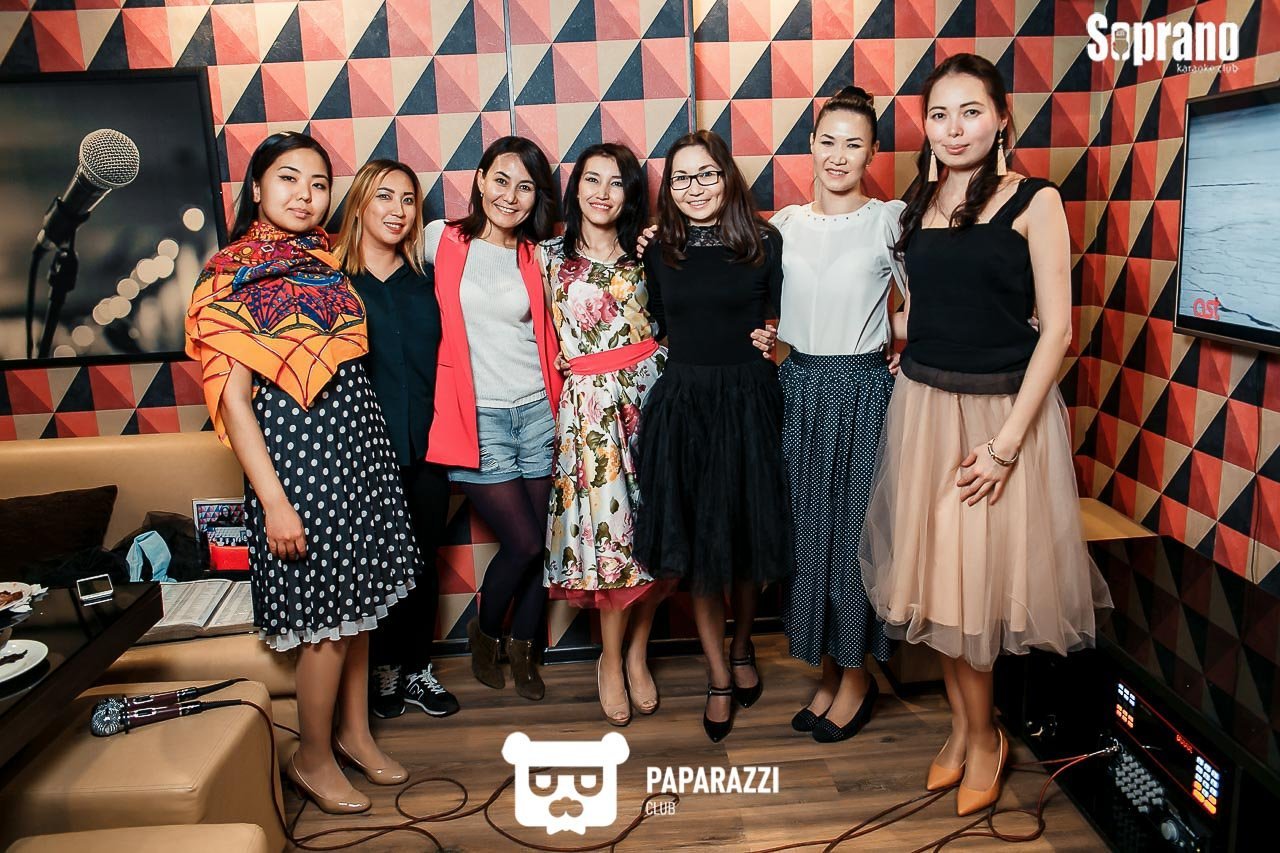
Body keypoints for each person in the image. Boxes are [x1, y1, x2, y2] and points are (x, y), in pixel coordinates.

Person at [858, 54, 1113, 815]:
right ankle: (967, 728)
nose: (954, 128)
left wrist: (1005, 448)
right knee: (936, 585)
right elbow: (925, 309)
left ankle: (983, 737)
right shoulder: (919, 203)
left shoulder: (1035, 200)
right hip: (924, 408)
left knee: (971, 595)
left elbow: (1056, 330)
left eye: (970, 111)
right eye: (939, 115)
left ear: (1002, 118)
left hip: (998, 420)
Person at [186, 132, 417, 814]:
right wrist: (274, 502)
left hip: (357, 450)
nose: (305, 195)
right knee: (327, 620)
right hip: (297, 464)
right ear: (256, 187)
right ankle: (311, 756)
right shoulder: (229, 274)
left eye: (318, 184)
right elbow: (233, 400)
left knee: (361, 608)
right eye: (288, 179)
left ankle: (354, 734)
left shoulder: (326, 260)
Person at [635, 130, 791, 743]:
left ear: (726, 176)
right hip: (685, 405)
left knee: (747, 541)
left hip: (749, 400)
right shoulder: (658, 249)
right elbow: (656, 322)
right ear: (668, 188)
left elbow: (789, 322)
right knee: (700, 549)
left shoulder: (765, 242)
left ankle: (744, 644)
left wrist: (775, 342)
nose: (694, 188)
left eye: (706, 175)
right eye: (681, 178)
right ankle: (718, 673)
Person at [771, 86, 905, 743]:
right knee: (806, 539)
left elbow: (929, 298)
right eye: (828, 141)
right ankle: (826, 670)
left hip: (860, 391)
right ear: (811, 145)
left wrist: (911, 353)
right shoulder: (784, 225)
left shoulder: (890, 221)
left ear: (872, 153)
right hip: (797, 387)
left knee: (853, 542)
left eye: (854, 144)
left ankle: (856, 678)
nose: (838, 154)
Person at [423, 136, 563, 701]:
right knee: (523, 542)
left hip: (538, 411)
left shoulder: (539, 255)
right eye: (501, 180)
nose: (510, 196)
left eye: (525, 187)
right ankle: (485, 635)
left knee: (541, 543)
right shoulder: (440, 238)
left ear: (536, 197)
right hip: (476, 418)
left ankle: (526, 652)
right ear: (479, 180)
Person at [541, 143, 672, 726]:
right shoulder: (547, 256)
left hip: (655, 402)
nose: (601, 192)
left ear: (630, 193)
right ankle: (611, 660)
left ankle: (638, 653)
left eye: (615, 182)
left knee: (663, 539)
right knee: (614, 546)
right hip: (592, 415)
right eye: (591, 180)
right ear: (575, 189)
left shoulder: (650, 252)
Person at [332, 159, 458, 720]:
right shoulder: (333, 284)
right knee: (375, 565)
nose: (398, 210)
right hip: (362, 454)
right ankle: (382, 668)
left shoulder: (428, 283)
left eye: (409, 201)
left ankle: (416, 668)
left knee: (422, 562)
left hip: (427, 447)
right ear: (360, 202)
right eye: (385, 196)